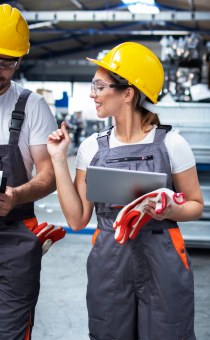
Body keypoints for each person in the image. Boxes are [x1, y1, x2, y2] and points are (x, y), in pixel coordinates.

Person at [47, 42, 204, 340]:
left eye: (99, 86)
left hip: (164, 259)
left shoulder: (172, 144)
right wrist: (58, 159)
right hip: (109, 262)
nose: (93, 94)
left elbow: (196, 204)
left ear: (128, 93)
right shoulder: (92, 147)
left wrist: (173, 210)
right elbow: (78, 220)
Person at [0, 4, 58, 339]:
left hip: (15, 238)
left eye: (6, 62)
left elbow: (48, 173)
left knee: (11, 331)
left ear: (20, 60)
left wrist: (17, 195)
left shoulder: (31, 105)